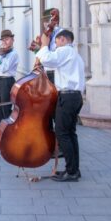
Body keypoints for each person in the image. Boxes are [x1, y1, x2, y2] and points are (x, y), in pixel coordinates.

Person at [36, 29, 85, 182]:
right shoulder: (74, 55)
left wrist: (44, 44)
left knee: (62, 134)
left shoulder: (65, 51)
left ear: (63, 39)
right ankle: (74, 170)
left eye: (56, 42)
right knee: (70, 134)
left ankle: (71, 171)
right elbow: (51, 64)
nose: (55, 46)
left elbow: (48, 59)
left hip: (68, 97)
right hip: (74, 97)